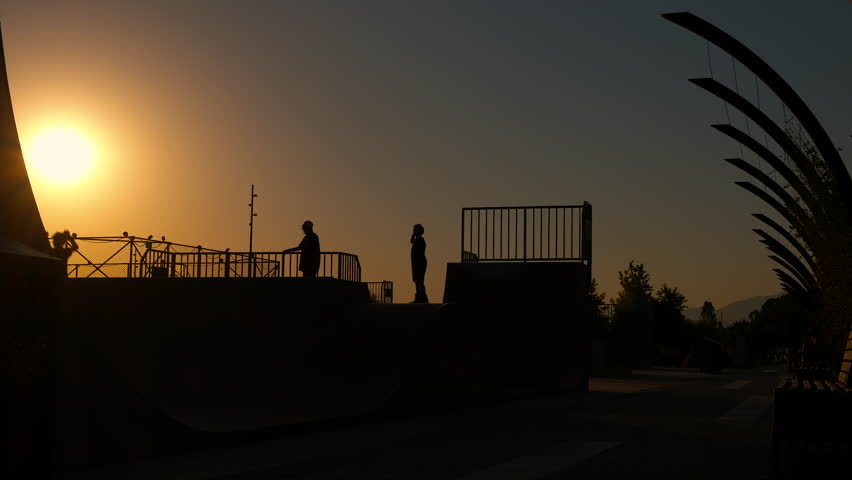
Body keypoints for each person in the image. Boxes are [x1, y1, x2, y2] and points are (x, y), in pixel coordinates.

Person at [410, 224, 428, 303]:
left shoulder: (420, 240)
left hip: (419, 262)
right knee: (417, 281)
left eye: (415, 230)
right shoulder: (417, 240)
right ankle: (419, 296)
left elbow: (419, 253)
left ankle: (421, 297)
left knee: (419, 280)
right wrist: (413, 234)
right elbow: (411, 241)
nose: (413, 231)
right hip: (416, 262)